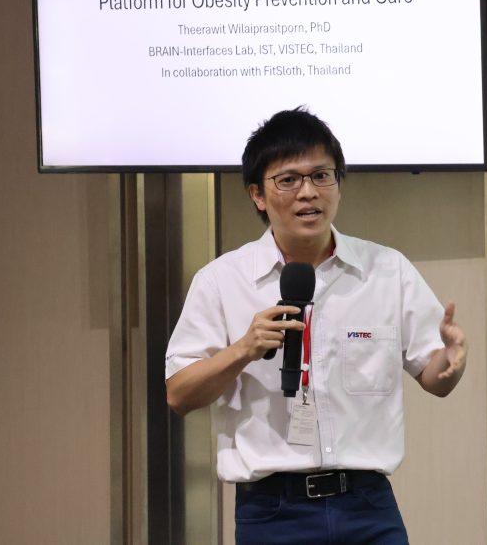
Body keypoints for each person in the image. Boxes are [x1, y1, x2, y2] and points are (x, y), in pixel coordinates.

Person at [165, 108, 467, 545]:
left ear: (338, 184)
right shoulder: (221, 281)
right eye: (288, 180)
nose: (308, 192)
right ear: (257, 195)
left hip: (368, 507)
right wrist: (242, 350)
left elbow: (434, 376)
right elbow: (178, 394)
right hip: (272, 512)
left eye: (321, 176)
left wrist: (452, 362)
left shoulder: (386, 269)